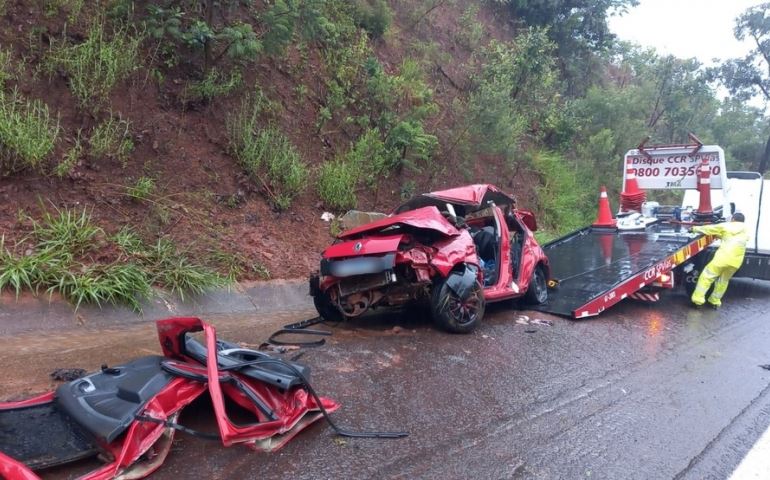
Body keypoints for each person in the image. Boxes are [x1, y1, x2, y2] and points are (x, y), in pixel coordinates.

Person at [690, 212, 749, 308]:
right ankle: (715, 301)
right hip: (735, 263)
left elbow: (710, 228)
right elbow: (732, 238)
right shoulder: (745, 231)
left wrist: (694, 229)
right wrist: (720, 235)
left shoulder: (727, 226)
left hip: (722, 258)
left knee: (707, 277)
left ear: (733, 219)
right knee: (723, 281)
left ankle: (698, 301)